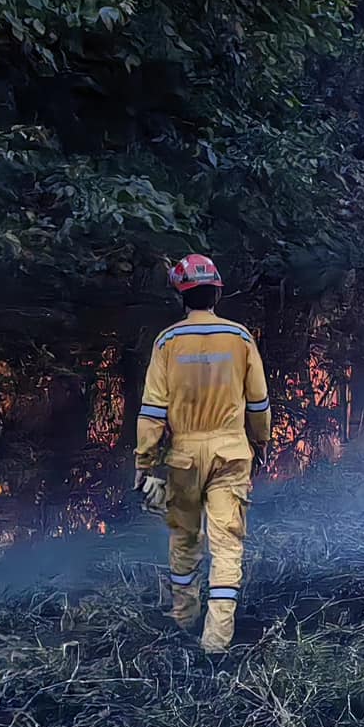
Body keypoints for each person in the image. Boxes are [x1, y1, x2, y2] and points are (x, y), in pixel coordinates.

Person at [134, 255, 272, 654]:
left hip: (184, 456)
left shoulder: (167, 342)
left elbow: (152, 411)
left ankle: (183, 619)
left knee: (184, 538)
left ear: (181, 295)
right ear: (218, 291)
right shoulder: (241, 338)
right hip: (231, 452)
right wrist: (259, 443)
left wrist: (144, 464)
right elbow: (258, 403)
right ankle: (217, 640)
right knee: (227, 544)